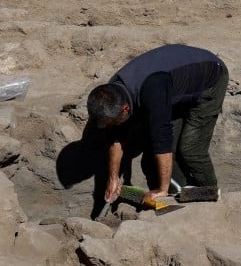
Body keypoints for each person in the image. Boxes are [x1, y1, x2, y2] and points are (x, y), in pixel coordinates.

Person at [86, 43, 228, 204]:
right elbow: (115, 139)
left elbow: (162, 141)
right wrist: (113, 179)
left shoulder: (153, 91)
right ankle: (181, 195)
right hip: (174, 87)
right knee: (162, 156)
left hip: (210, 78)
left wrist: (161, 189)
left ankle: (210, 195)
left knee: (190, 149)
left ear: (125, 109)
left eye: (114, 122)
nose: (112, 126)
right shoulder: (113, 94)